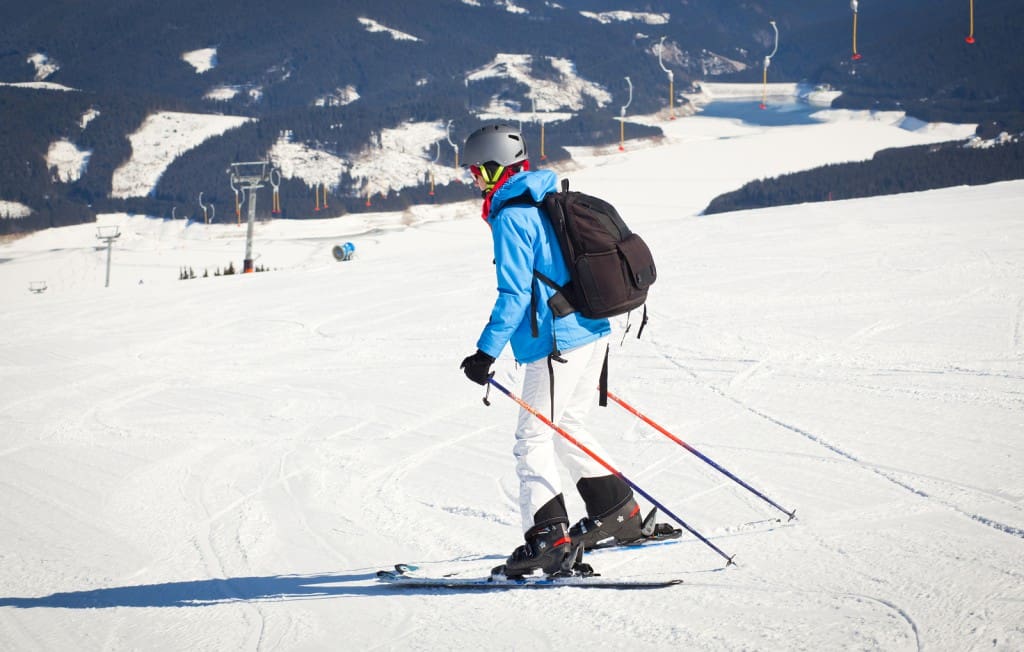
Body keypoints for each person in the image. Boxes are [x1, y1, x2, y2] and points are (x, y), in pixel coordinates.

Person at [459, 124, 646, 578]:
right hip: (592, 329)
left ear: (492, 168)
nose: (473, 180)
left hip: (557, 343)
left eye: (476, 172)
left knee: (533, 439)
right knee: (567, 425)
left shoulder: (510, 215)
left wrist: (485, 353)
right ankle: (615, 510)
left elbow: (514, 295)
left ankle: (548, 539)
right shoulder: (544, 197)